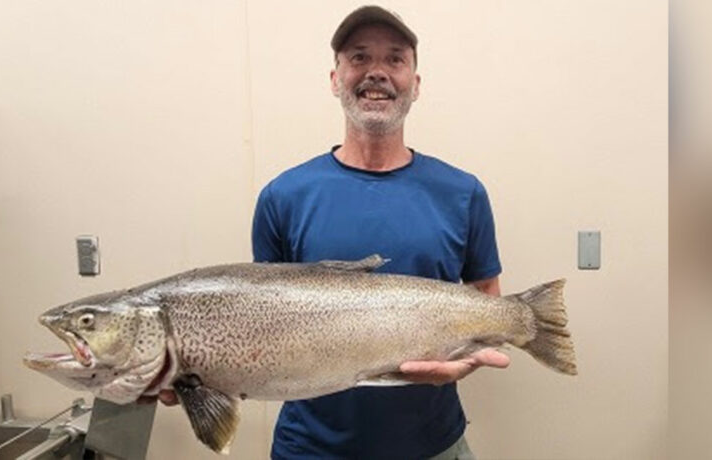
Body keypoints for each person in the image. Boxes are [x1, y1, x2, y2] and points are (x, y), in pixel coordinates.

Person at [158, 5, 510, 459]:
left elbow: (486, 298)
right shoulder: (282, 197)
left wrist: (467, 360)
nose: (377, 71)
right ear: (335, 78)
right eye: (359, 57)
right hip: (310, 449)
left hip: (435, 445)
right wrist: (197, 374)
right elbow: (264, 323)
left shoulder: (463, 192)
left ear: (416, 84)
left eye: (395, 59)